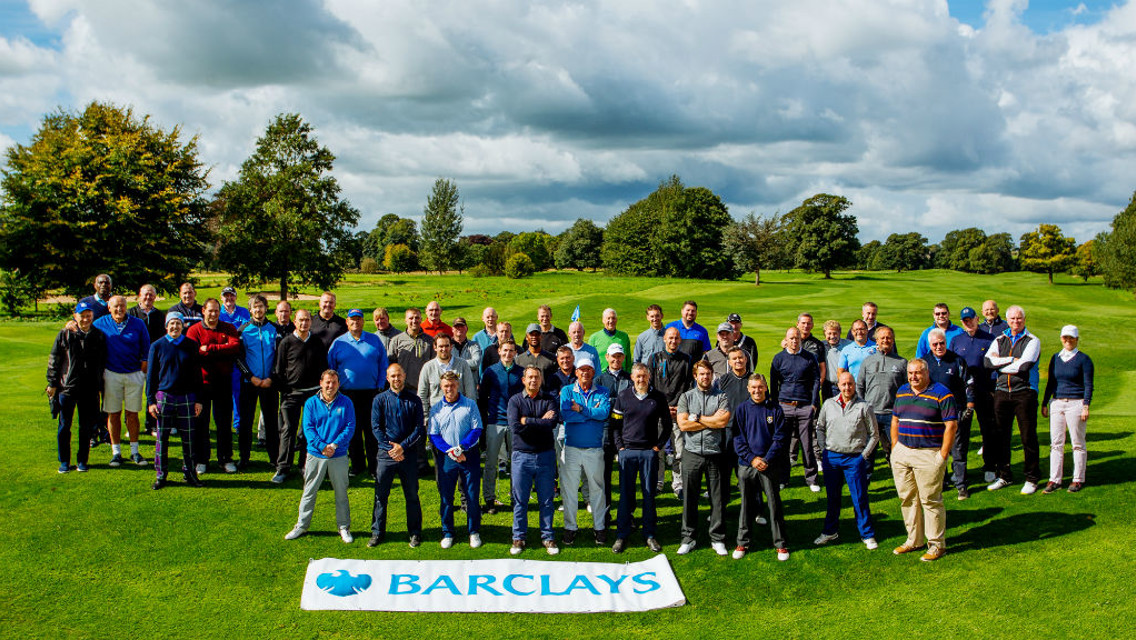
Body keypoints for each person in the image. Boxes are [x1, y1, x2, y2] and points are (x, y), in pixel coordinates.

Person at [890, 359, 957, 562]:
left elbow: (951, 425)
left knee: (930, 500)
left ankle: (936, 545)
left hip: (928, 453)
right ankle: (914, 540)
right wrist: (895, 447)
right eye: (910, 373)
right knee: (907, 498)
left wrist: (942, 455)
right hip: (903, 452)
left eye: (918, 373)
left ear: (927, 373)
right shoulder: (902, 391)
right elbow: (895, 420)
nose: (913, 377)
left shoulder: (942, 393)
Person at [284, 370, 355, 544]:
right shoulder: (311, 403)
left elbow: (349, 427)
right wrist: (322, 446)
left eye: (334, 382)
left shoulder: (346, 402)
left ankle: (344, 527)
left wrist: (334, 445)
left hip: (338, 454)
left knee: (341, 493)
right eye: (327, 382)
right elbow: (308, 428)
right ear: (321, 383)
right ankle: (301, 526)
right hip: (316, 454)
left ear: (339, 384)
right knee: (309, 492)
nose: (331, 386)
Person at [813, 372, 879, 550]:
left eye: (850, 384)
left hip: (854, 458)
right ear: (838, 386)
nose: (847, 387)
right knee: (832, 497)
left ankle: (867, 534)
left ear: (854, 385)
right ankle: (830, 531)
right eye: (843, 384)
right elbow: (820, 428)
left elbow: (874, 435)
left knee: (859, 497)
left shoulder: (864, 406)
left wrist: (863, 456)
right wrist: (824, 449)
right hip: (832, 458)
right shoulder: (829, 404)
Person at [611, 363, 671, 554]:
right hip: (628, 452)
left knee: (649, 494)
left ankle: (650, 534)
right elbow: (615, 426)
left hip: (648, 453)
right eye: (637, 376)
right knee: (625, 495)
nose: (641, 379)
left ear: (649, 377)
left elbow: (667, 425)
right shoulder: (623, 396)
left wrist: (657, 447)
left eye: (644, 376)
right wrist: (620, 448)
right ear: (632, 377)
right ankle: (622, 534)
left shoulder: (658, 397)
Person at [675, 360, 732, 556]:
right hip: (692, 453)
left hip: (714, 453)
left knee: (717, 498)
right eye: (702, 374)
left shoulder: (721, 396)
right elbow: (683, 425)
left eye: (708, 373)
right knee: (690, 498)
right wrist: (711, 420)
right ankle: (688, 538)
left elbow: (722, 422)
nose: (705, 377)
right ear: (695, 376)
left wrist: (697, 418)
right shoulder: (686, 397)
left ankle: (717, 538)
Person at [984, 305, 1042, 494]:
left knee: (1027, 437)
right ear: (1007, 320)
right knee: (1001, 436)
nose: (1016, 321)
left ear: (1024, 319)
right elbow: (988, 362)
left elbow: (1024, 366)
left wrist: (1000, 364)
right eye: (1012, 319)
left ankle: (1032, 478)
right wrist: (1011, 360)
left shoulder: (1033, 340)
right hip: (1002, 392)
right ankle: (1004, 475)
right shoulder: (1000, 339)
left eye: (1019, 318)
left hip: (1024, 392)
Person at [732, 374, 790, 561]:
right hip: (747, 465)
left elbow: (780, 439)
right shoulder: (742, 409)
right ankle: (742, 542)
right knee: (746, 505)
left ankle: (780, 544)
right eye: (753, 387)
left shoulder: (775, 409)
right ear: (748, 389)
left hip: (769, 465)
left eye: (760, 387)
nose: (757, 391)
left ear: (765, 387)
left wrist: (766, 459)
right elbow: (738, 438)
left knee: (774, 504)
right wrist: (752, 459)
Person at [327, 308, 389, 479]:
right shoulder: (339, 343)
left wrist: (380, 386)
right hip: (347, 394)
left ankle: (374, 466)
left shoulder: (374, 340)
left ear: (363, 321)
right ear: (347, 322)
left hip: (371, 393)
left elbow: (383, 365)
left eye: (358, 319)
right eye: (352, 319)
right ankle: (357, 465)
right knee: (352, 430)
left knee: (371, 430)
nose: (355, 322)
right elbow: (332, 368)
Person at [47, 301, 107, 473]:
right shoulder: (65, 334)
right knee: (64, 426)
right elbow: (54, 359)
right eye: (82, 315)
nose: (85, 319)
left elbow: (102, 362)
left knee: (86, 427)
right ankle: (64, 461)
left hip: (90, 389)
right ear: (75, 316)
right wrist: (52, 382)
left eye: (89, 315)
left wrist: (99, 384)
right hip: (67, 387)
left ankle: (82, 460)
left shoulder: (98, 335)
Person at [145, 312, 204, 489]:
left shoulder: (191, 345)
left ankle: (190, 473)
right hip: (165, 396)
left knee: (189, 439)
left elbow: (197, 375)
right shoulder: (157, 346)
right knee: (162, 439)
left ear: (183, 325)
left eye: (178, 323)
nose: (175, 327)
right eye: (171, 323)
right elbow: (151, 376)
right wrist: (151, 401)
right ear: (166, 326)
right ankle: (161, 475)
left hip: (187, 396)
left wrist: (199, 399)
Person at [369, 363, 424, 548]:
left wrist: (402, 447)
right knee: (380, 496)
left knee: (412, 495)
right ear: (387, 378)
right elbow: (376, 427)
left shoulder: (414, 400)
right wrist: (391, 449)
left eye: (399, 375)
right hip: (386, 456)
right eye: (392, 376)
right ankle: (377, 532)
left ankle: (415, 532)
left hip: (408, 455)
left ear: (404, 376)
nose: (396, 379)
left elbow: (418, 428)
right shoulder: (379, 400)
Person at [507, 366, 561, 555]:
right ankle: (519, 537)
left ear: (541, 380)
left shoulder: (549, 399)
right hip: (521, 456)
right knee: (520, 500)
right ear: (523, 380)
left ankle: (548, 537)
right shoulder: (515, 400)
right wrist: (539, 421)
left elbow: (551, 423)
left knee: (546, 500)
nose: (533, 380)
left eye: (536, 377)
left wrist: (527, 420)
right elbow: (515, 427)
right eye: (530, 377)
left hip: (545, 456)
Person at [428, 371, 484, 549]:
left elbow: (477, 429)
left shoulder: (470, 404)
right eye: (446, 386)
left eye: (452, 385)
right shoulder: (436, 409)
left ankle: (473, 531)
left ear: (457, 385)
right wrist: (450, 450)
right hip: (447, 458)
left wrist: (462, 447)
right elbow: (434, 435)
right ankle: (448, 532)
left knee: (472, 495)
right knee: (446, 496)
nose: (449, 389)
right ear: (441, 387)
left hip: (469, 455)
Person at [558, 356, 611, 546]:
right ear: (576, 372)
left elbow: (603, 413)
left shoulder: (602, 391)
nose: (585, 373)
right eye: (582, 369)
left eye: (589, 369)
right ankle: (570, 528)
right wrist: (590, 413)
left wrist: (581, 409)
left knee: (597, 489)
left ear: (593, 372)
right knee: (569, 490)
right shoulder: (567, 391)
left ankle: (599, 527)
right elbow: (566, 414)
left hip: (594, 449)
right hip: (571, 448)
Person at [184, 299, 240, 475]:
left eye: (216, 311)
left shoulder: (228, 328)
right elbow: (194, 353)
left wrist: (210, 349)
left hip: (223, 382)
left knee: (224, 422)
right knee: (201, 423)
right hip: (202, 384)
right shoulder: (194, 330)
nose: (214, 314)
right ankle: (201, 460)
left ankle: (226, 459)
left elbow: (235, 347)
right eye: (210, 311)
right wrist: (222, 349)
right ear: (203, 311)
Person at [93, 295, 150, 467]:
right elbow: (84, 329)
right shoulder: (100, 323)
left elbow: (146, 348)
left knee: (132, 414)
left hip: (134, 373)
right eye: (116, 306)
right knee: (113, 413)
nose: (119, 309)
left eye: (122, 306)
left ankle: (134, 451)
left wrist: (143, 368)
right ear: (109, 308)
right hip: (111, 373)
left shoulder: (138, 324)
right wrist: (71, 324)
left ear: (126, 307)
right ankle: (116, 452)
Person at [273, 309, 328, 483]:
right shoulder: (286, 342)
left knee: (308, 431)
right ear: (295, 322)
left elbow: (323, 368)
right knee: (288, 429)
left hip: (312, 394)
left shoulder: (317, 342)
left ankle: (304, 465)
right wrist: (285, 390)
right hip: (292, 394)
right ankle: (283, 468)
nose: (304, 323)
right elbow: (279, 369)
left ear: (311, 322)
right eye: (300, 320)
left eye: (307, 320)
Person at [1041, 325, 1094, 494]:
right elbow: (1051, 382)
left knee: (1077, 443)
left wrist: (1086, 406)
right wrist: (1044, 403)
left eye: (1071, 338)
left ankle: (1078, 479)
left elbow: (1088, 385)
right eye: (1065, 337)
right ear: (1061, 338)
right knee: (1056, 443)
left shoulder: (1084, 359)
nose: (1068, 341)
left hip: (1076, 403)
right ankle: (1054, 480)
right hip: (1057, 403)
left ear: (1077, 339)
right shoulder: (1055, 358)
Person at [769, 327, 821, 491]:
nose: (794, 341)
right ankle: (783, 478)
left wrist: (814, 403)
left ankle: (812, 479)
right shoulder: (779, 358)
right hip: (784, 406)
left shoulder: (809, 357)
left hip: (804, 406)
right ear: (786, 339)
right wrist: (775, 405)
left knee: (807, 445)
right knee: (783, 445)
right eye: (791, 338)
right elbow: (774, 383)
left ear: (800, 339)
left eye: (797, 338)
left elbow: (816, 381)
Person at [925, 328, 974, 499]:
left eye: (942, 343)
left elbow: (969, 383)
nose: (939, 347)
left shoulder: (957, 360)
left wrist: (970, 404)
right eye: (935, 344)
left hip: (955, 411)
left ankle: (961, 484)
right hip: (933, 414)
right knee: (937, 449)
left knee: (958, 449)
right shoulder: (925, 362)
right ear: (930, 345)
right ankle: (942, 481)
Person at [950, 307, 997, 483]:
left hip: (984, 391)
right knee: (960, 433)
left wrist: (993, 389)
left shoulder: (990, 339)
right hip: (962, 394)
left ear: (977, 319)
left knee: (988, 430)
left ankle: (990, 466)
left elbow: (994, 366)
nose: (968, 323)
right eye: (965, 321)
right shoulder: (956, 340)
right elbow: (953, 366)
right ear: (962, 322)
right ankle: (959, 470)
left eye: (971, 319)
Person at [477, 339, 524, 512]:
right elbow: (483, 397)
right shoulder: (490, 371)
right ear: (499, 351)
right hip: (495, 421)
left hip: (515, 423)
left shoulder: (521, 372)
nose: (508, 354)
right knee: (491, 462)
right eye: (505, 350)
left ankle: (515, 498)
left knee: (516, 463)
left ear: (515, 352)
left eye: (511, 350)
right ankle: (489, 498)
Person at [235, 294, 278, 471]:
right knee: (246, 422)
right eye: (255, 307)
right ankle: (244, 458)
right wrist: (251, 377)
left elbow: (279, 357)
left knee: (271, 422)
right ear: (250, 310)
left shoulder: (274, 329)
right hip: (249, 383)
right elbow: (238, 358)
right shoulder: (243, 330)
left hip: (269, 383)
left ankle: (275, 458)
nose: (258, 310)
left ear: (266, 308)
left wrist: (271, 378)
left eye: (261, 306)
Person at [648, 327, 692, 497]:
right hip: (658, 413)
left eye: (676, 338)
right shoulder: (655, 358)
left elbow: (689, 387)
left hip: (678, 413)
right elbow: (650, 386)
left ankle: (678, 484)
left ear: (680, 340)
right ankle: (658, 482)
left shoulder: (686, 360)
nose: (673, 341)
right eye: (670, 338)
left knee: (679, 450)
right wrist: (662, 407)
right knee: (657, 450)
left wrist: (680, 407)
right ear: (664, 339)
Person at [856, 326, 907, 464]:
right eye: (882, 338)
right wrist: (862, 407)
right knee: (868, 451)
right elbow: (860, 386)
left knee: (896, 449)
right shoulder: (868, 361)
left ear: (893, 340)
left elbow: (907, 389)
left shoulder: (902, 362)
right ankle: (866, 476)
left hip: (893, 414)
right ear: (876, 341)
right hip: (871, 413)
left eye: (889, 337)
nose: (886, 340)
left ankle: (897, 473)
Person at [596, 344, 632, 528]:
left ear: (623, 358)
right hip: (606, 432)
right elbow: (599, 406)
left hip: (627, 432)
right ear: (607, 357)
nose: (616, 359)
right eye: (613, 356)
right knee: (605, 477)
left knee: (628, 476)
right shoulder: (600, 380)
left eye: (619, 356)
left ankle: (627, 515)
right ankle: (605, 513)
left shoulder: (630, 379)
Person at [129, 284, 166, 437]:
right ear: (140, 295)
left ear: (155, 297)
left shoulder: (159, 315)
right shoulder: (131, 313)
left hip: (154, 360)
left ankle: (151, 425)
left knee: (152, 392)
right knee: (133, 394)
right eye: (146, 294)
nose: (148, 297)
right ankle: (131, 425)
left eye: (151, 294)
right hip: (135, 360)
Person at [219, 286, 251, 440]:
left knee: (237, 391)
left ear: (236, 297)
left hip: (239, 356)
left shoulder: (243, 312)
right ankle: (223, 423)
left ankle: (237, 424)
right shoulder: (218, 312)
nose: (229, 299)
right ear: (222, 298)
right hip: (222, 357)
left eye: (231, 296)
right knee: (222, 393)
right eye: (226, 296)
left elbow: (245, 330)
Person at [387, 307, 435, 394]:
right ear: (405, 320)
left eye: (417, 318)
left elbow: (434, 365)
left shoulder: (430, 341)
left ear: (421, 319)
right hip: (401, 389)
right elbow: (390, 365)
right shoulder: (396, 340)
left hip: (423, 389)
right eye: (411, 318)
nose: (414, 321)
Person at [517, 323, 558, 387]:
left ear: (541, 336)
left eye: (537, 334)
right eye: (531, 335)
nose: (534, 337)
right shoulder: (518, 360)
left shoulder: (552, 358)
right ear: (526, 337)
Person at [822, 320, 851, 400]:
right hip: (828, 386)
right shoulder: (821, 346)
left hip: (846, 386)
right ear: (824, 333)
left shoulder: (849, 345)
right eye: (829, 333)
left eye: (835, 333)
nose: (832, 336)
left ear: (839, 333)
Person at [450, 317, 482, 385]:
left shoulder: (474, 345)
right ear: (452, 329)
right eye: (457, 326)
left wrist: (455, 362)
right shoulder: (447, 346)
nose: (459, 328)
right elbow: (445, 363)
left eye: (462, 326)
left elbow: (475, 363)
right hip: (451, 385)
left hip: (470, 384)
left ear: (466, 328)